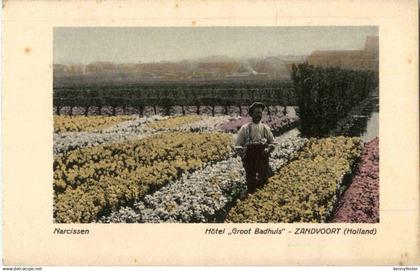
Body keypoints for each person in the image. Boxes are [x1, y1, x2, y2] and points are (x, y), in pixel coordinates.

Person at [235, 102, 275, 193]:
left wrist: (268, 149)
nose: (259, 115)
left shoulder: (265, 128)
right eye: (256, 113)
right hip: (250, 157)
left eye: (260, 113)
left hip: (262, 156)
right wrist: (243, 156)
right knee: (251, 181)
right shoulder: (245, 128)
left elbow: (273, 142)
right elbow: (238, 145)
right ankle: (251, 200)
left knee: (264, 180)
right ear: (251, 114)